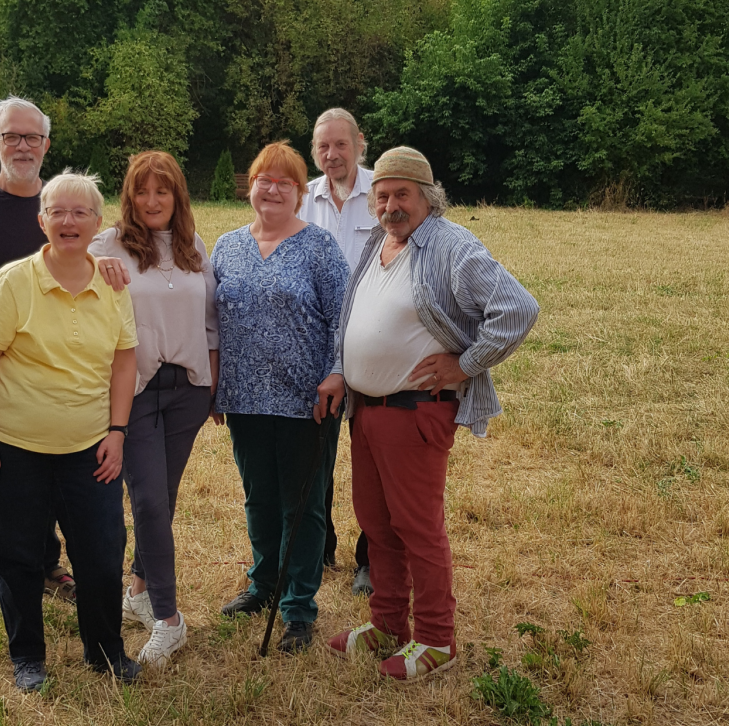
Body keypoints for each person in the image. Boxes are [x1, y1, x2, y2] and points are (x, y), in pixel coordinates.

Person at [324, 147, 539, 681]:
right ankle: (388, 624)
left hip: (414, 411)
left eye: (403, 195)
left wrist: (465, 364)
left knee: (417, 526)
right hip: (368, 411)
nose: (391, 206)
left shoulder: (448, 242)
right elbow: (354, 316)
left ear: (427, 196)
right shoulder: (380, 241)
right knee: (377, 525)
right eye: (383, 196)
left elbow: (517, 308)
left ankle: (438, 640)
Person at [0, 96, 129, 627]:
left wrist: (102, 262)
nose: (21, 145)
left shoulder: (64, 204)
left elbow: (82, 255)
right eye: (11, 136)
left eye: (32, 137)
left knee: (43, 469)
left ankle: (45, 566)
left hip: (56, 370)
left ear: (46, 144)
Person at [0, 170, 140, 691]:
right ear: (41, 220)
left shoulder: (113, 283)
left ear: (96, 222)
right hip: (15, 447)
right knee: (16, 554)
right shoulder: (14, 282)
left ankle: (106, 651)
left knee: (103, 551)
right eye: (57, 212)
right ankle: (28, 658)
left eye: (80, 212)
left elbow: (125, 362)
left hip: (90, 447)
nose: (68, 221)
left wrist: (117, 431)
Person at [212, 141, 349, 653]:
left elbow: (343, 317)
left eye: (284, 182)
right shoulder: (226, 246)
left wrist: (337, 372)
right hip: (245, 398)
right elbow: (212, 321)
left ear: (299, 193)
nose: (272, 189)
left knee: (304, 506)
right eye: (263, 180)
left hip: (306, 399)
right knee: (260, 498)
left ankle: (298, 607)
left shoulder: (319, 246)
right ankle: (263, 584)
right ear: (250, 187)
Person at [88, 151, 218, 668]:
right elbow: (61, 264)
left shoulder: (193, 248)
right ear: (129, 196)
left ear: (177, 196)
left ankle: (140, 589)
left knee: (163, 495)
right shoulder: (109, 244)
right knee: (148, 502)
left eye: (161, 191)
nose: (151, 201)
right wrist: (93, 264)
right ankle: (169, 619)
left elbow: (210, 322)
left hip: (187, 389)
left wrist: (211, 385)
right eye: (142, 192)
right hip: (133, 391)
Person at [297, 108, 375, 596]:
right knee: (316, 453)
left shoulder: (383, 192)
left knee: (371, 459)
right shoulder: (302, 198)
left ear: (359, 143)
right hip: (319, 345)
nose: (331, 155)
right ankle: (319, 545)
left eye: (340, 145)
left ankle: (371, 557)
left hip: (371, 341)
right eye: (322, 147)